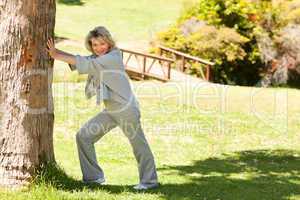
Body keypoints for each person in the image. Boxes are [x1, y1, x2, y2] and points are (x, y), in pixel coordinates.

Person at [46, 26, 159, 190]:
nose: (98, 48)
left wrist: (56, 54)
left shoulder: (113, 56)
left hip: (125, 110)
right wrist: (56, 51)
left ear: (109, 42)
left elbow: (86, 63)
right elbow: (82, 60)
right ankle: (93, 178)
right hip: (111, 111)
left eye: (102, 44)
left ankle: (149, 181)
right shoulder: (98, 57)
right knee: (83, 136)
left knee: (138, 145)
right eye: (94, 45)